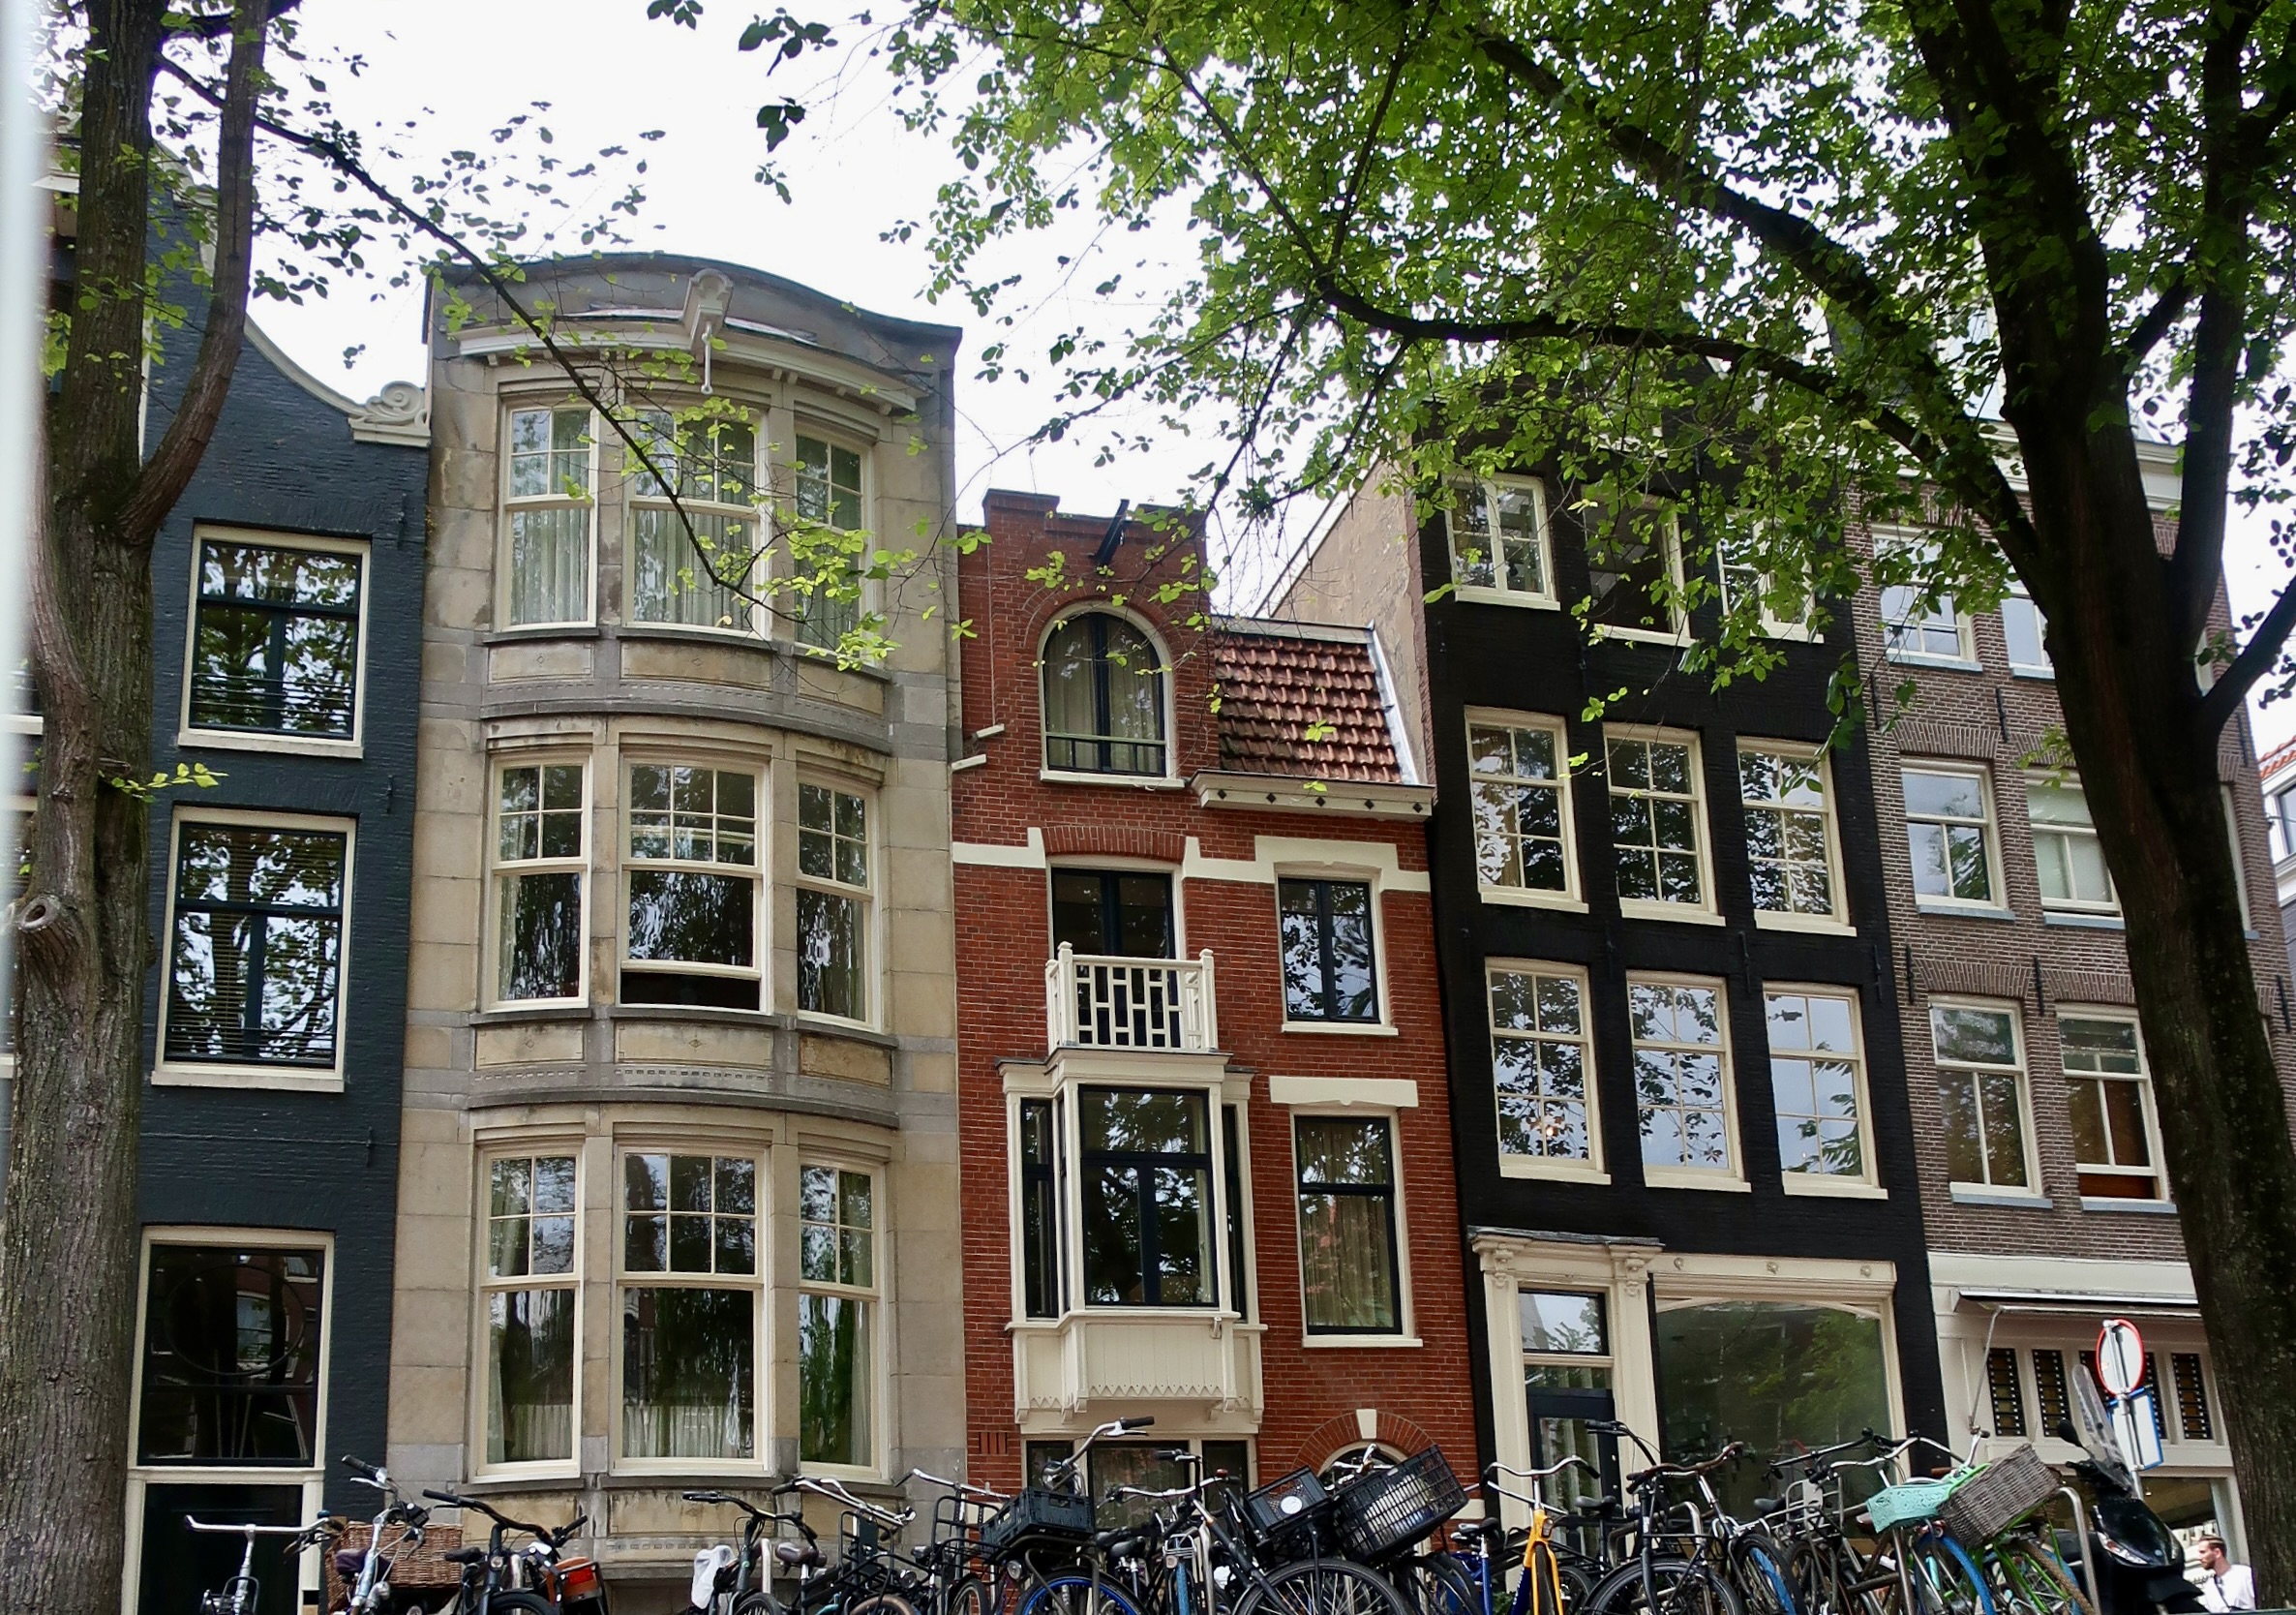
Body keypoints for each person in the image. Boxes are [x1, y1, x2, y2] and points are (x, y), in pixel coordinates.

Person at [2195, 1536, 2255, 1612]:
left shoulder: (2245, 1574)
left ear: (2217, 1553)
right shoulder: (2209, 1586)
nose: (2199, 1557)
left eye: (2203, 1552)